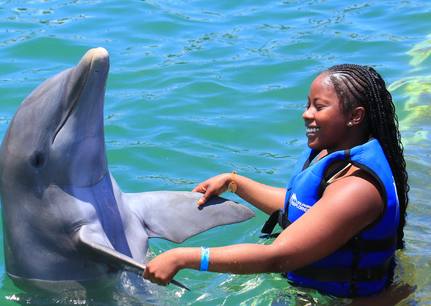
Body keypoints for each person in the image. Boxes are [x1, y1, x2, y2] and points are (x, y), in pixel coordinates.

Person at [142, 64, 409, 297]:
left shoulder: (357, 189)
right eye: (308, 104)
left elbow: (278, 257)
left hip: (340, 299)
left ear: (355, 116)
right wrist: (234, 183)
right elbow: (305, 207)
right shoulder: (330, 154)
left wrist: (183, 257)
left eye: (319, 106)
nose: (306, 114)